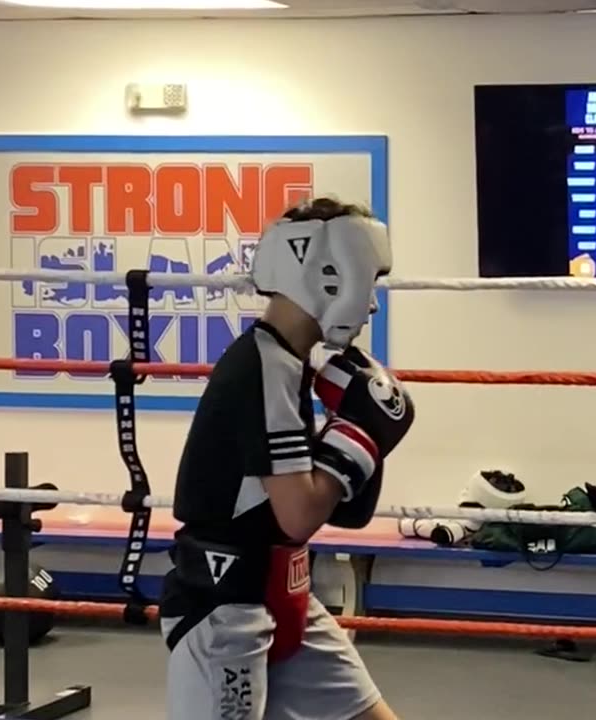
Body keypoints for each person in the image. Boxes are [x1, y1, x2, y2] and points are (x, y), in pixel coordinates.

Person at [158, 197, 414, 720]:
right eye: (370, 282)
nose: (371, 306)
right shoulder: (263, 367)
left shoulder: (288, 362)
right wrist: (361, 434)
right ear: (329, 274)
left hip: (281, 585)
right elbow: (299, 512)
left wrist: (364, 439)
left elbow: (340, 512)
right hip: (225, 606)